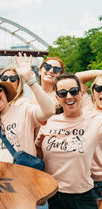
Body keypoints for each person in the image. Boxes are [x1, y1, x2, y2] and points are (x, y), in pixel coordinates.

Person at [36, 74, 102, 209]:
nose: (69, 96)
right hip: (53, 195)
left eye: (73, 91)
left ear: (82, 94)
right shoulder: (49, 121)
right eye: (63, 93)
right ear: (57, 98)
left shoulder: (95, 121)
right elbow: (39, 151)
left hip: (83, 196)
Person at [88, 75, 102, 204]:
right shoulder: (85, 110)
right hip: (84, 179)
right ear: (93, 91)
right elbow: (78, 77)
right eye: (99, 88)